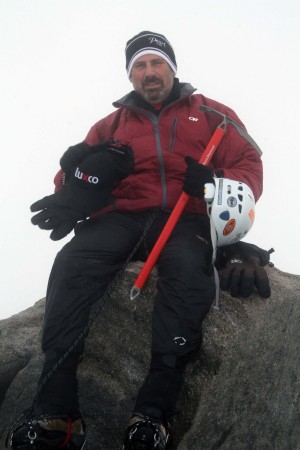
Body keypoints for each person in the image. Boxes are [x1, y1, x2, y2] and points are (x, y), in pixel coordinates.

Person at [6, 31, 272, 450]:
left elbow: (249, 165)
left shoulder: (213, 116)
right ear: (131, 76)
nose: (149, 73)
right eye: (139, 66)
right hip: (123, 217)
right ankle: (55, 412)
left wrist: (215, 184)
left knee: (188, 276)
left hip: (187, 218)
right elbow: (71, 178)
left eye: (156, 63)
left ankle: (151, 416)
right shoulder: (110, 125)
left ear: (172, 67)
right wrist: (78, 179)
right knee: (72, 264)